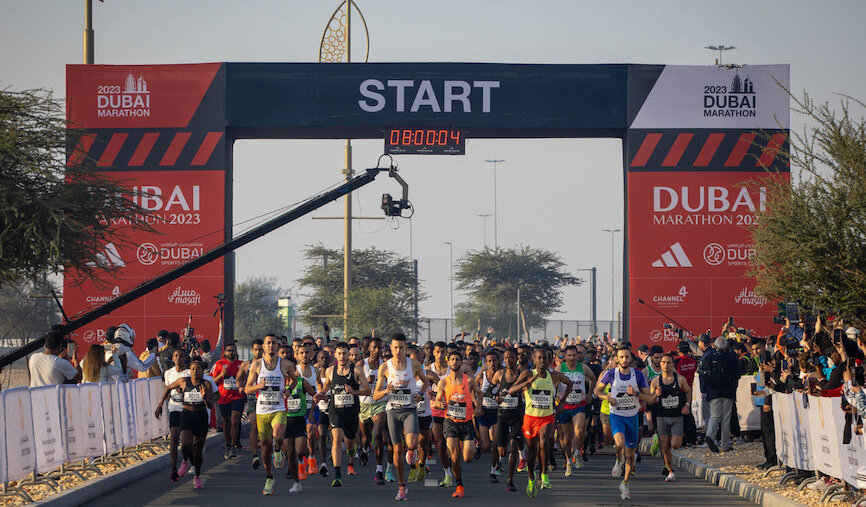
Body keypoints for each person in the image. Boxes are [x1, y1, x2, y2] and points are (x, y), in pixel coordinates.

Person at [509, 348, 573, 497]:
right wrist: (527, 382)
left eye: (545, 358)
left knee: (544, 442)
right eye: (539, 358)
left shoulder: (554, 375)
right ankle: (531, 478)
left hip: (547, 417)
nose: (542, 361)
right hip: (530, 418)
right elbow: (511, 390)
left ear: (549, 360)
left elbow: (569, 384)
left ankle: (544, 474)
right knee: (531, 452)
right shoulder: (527, 374)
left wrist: (562, 401)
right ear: (534, 360)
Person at [373, 333, 429, 501]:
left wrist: (420, 394)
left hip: (409, 409)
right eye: (395, 347)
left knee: (412, 443)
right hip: (392, 411)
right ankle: (402, 486)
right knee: (397, 449)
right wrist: (386, 390)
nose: (398, 351)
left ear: (406, 348)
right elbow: (375, 395)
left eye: (401, 348)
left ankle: (411, 452)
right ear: (391, 348)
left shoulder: (414, 364)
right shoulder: (385, 367)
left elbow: (426, 382)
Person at [594, 346, 653, 501]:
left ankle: (625, 484)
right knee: (619, 443)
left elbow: (649, 396)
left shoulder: (638, 375)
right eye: (621, 357)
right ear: (617, 359)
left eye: (627, 357)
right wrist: (607, 398)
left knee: (631, 454)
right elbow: (597, 391)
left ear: (631, 358)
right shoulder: (610, 374)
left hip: (632, 416)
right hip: (617, 415)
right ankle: (619, 460)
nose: (624, 359)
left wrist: (636, 393)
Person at [244, 334, 298, 496]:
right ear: (264, 346)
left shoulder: (286, 364)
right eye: (268, 343)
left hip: (279, 408)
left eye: (274, 343)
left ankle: (278, 450)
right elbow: (247, 389)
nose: (271, 346)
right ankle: (269, 477)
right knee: (265, 447)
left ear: (277, 346)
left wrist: (289, 390)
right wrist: (258, 386)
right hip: (262, 411)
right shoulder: (256, 365)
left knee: (278, 436)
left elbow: (295, 380)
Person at [316, 341, 371, 487]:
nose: (342, 356)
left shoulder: (356, 370)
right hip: (336, 411)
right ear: (335, 355)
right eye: (339, 353)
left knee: (349, 444)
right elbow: (327, 386)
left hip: (351, 412)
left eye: (345, 353)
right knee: (336, 438)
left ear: (348, 355)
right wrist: (321, 394)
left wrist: (354, 391)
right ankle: (337, 474)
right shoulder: (330, 371)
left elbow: (368, 390)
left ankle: (352, 450)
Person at [156, 356, 213, 489]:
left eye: (198, 369)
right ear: (189, 370)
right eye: (193, 369)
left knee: (197, 451)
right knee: (186, 443)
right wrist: (160, 404)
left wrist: (204, 397)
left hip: (201, 417)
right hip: (187, 415)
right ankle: (185, 460)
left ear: (202, 371)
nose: (195, 371)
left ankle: (197, 476)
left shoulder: (206, 384)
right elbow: (168, 387)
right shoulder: (183, 381)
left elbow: (210, 405)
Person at [434, 350, 484, 498]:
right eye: (452, 359)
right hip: (450, 422)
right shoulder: (443, 382)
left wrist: (478, 407)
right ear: (448, 362)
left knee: (468, 458)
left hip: (467, 422)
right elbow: (437, 401)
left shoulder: (469, 380)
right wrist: (441, 404)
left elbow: (480, 393)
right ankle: (459, 485)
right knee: (455, 458)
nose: (455, 362)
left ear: (461, 362)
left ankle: (469, 444)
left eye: (457, 359)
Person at [648, 354, 691, 482]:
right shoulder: (656, 381)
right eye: (663, 362)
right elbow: (650, 400)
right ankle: (670, 470)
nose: (666, 365)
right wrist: (656, 395)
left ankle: (659, 442)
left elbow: (689, 391)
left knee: (676, 445)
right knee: (665, 446)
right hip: (662, 416)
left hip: (677, 416)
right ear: (660, 364)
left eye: (668, 363)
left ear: (672, 365)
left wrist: (687, 405)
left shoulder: (680, 379)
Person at [556, 344, 597, 475]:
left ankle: (577, 452)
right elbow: (552, 383)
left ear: (577, 355)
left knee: (579, 432)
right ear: (565, 356)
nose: (572, 358)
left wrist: (590, 394)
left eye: (574, 355)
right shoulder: (560, 368)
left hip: (579, 404)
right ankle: (568, 461)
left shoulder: (583, 367)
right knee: (566, 438)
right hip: (565, 406)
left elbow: (593, 379)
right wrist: (556, 397)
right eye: (569, 355)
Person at [489, 347, 524, 492]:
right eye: (506, 358)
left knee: (514, 446)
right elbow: (488, 391)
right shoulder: (499, 374)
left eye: (511, 357)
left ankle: (510, 480)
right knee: (501, 450)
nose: (508, 360)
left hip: (517, 416)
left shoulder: (522, 374)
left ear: (516, 358)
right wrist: (495, 397)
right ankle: (498, 464)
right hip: (502, 415)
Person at [284, 344, 317, 493]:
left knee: (300, 450)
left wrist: (311, 413)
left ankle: (304, 460)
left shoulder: (301, 381)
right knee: (290, 453)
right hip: (285, 420)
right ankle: (296, 482)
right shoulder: (281, 382)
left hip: (299, 420)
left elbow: (314, 395)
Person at [700, 336, 741, 453]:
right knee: (726, 418)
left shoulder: (709, 356)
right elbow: (738, 374)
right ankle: (725, 444)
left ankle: (710, 435)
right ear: (726, 345)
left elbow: (704, 374)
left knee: (714, 416)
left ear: (715, 345)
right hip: (728, 391)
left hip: (713, 391)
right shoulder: (732, 356)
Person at [359, 337, 389, 483]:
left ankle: (379, 469)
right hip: (364, 405)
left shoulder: (386, 365)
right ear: (369, 348)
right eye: (374, 347)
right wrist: (365, 380)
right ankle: (364, 449)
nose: (377, 350)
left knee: (377, 434)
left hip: (380, 404)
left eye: (379, 347)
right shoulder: (361, 364)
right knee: (365, 437)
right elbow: (351, 381)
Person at [211, 342, 244, 459]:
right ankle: (228, 444)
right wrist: (222, 375)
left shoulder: (241, 365)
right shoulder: (218, 364)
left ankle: (233, 445)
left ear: (236, 352)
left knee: (235, 420)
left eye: (233, 350)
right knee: (226, 422)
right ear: (224, 352)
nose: (231, 352)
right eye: (228, 350)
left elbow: (248, 378)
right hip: (223, 397)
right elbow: (212, 381)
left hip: (237, 397)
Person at [475, 348, 501, 482]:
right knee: (486, 446)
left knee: (495, 443)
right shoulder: (482, 375)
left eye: (494, 361)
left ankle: (493, 469)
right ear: (486, 362)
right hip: (484, 411)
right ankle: (479, 444)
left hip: (497, 412)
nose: (492, 363)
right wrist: (477, 405)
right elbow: (472, 388)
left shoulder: (502, 375)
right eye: (489, 361)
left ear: (498, 361)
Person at [241, 338, 264, 469]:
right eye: (256, 349)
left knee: (266, 428)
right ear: (252, 350)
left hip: (266, 398)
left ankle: (271, 451)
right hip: (252, 399)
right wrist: (241, 387)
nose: (258, 352)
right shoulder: (247, 365)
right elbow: (239, 378)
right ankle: (255, 455)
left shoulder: (269, 364)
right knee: (254, 426)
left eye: (260, 349)